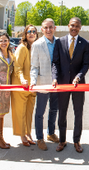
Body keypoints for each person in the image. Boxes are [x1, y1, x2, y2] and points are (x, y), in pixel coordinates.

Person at [52, 17, 89, 153]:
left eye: (77, 26)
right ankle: (62, 140)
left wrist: (79, 77)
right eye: (72, 25)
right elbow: (55, 62)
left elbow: (86, 64)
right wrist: (55, 78)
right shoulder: (59, 42)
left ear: (80, 28)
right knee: (62, 113)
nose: (74, 28)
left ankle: (76, 141)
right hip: (62, 83)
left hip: (78, 85)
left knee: (78, 113)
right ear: (68, 26)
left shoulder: (85, 44)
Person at [30, 18, 59, 151]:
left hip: (56, 84)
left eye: (50, 27)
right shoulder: (37, 45)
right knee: (40, 113)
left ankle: (51, 133)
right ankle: (39, 138)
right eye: (45, 28)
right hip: (42, 83)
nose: (48, 30)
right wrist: (33, 81)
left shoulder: (59, 42)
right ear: (42, 30)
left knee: (54, 109)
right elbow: (34, 66)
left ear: (55, 28)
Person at [11, 25, 38, 147]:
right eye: (29, 32)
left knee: (29, 111)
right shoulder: (22, 48)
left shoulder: (36, 48)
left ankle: (28, 133)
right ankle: (22, 135)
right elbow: (17, 67)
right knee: (20, 111)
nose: (31, 33)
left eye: (33, 31)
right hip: (21, 84)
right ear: (25, 34)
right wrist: (22, 79)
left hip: (33, 86)